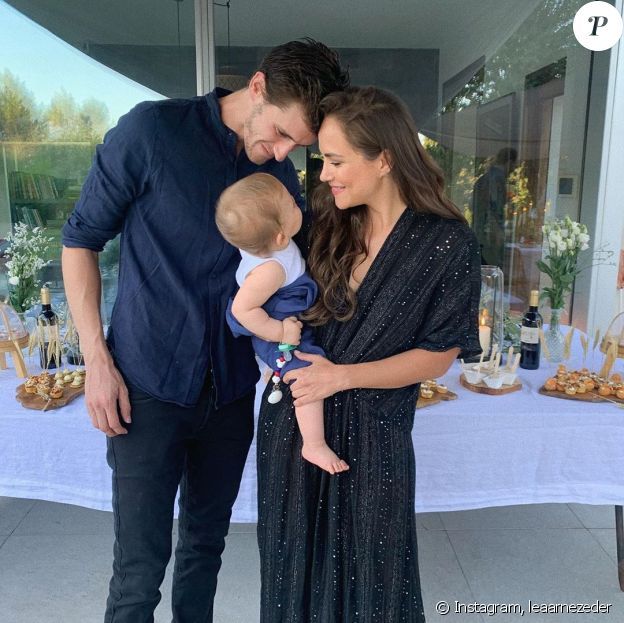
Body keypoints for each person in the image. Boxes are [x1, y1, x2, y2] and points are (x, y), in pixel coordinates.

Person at [61, 39, 348, 623]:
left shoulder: (280, 174)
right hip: (145, 385)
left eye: (299, 145)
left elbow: (300, 268)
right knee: (139, 570)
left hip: (233, 392)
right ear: (259, 86)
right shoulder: (151, 134)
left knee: (204, 551)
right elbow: (80, 241)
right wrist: (96, 358)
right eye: (282, 133)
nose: (284, 153)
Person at [257, 86, 482, 623]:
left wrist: (341, 377)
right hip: (294, 428)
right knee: (292, 572)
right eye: (322, 161)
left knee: (374, 583)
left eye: (336, 160)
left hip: (375, 440)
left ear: (383, 158)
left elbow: (437, 357)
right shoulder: (324, 221)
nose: (325, 174)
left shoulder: (447, 242)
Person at [216, 172, 349, 474]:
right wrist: (281, 331)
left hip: (281, 313)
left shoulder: (264, 242)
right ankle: (313, 444)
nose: (297, 204)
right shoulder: (270, 269)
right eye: (291, 204)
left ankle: (275, 369)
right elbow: (241, 311)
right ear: (279, 237)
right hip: (275, 326)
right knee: (307, 372)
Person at [472, 147, 518, 267]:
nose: (514, 169)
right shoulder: (497, 180)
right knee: (492, 275)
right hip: (489, 240)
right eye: (514, 165)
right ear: (509, 162)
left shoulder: (483, 179)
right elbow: (494, 211)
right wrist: (498, 236)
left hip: (479, 237)